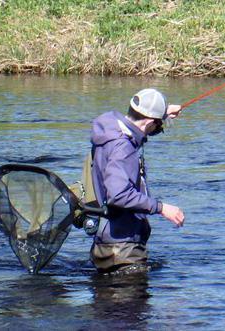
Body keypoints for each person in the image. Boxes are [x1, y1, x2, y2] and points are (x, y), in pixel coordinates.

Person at [89, 88, 185, 274]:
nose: (159, 128)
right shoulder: (123, 148)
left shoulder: (111, 130)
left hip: (106, 242)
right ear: (149, 122)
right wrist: (161, 208)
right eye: (158, 125)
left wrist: (163, 114)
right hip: (123, 251)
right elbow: (119, 195)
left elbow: (138, 132)